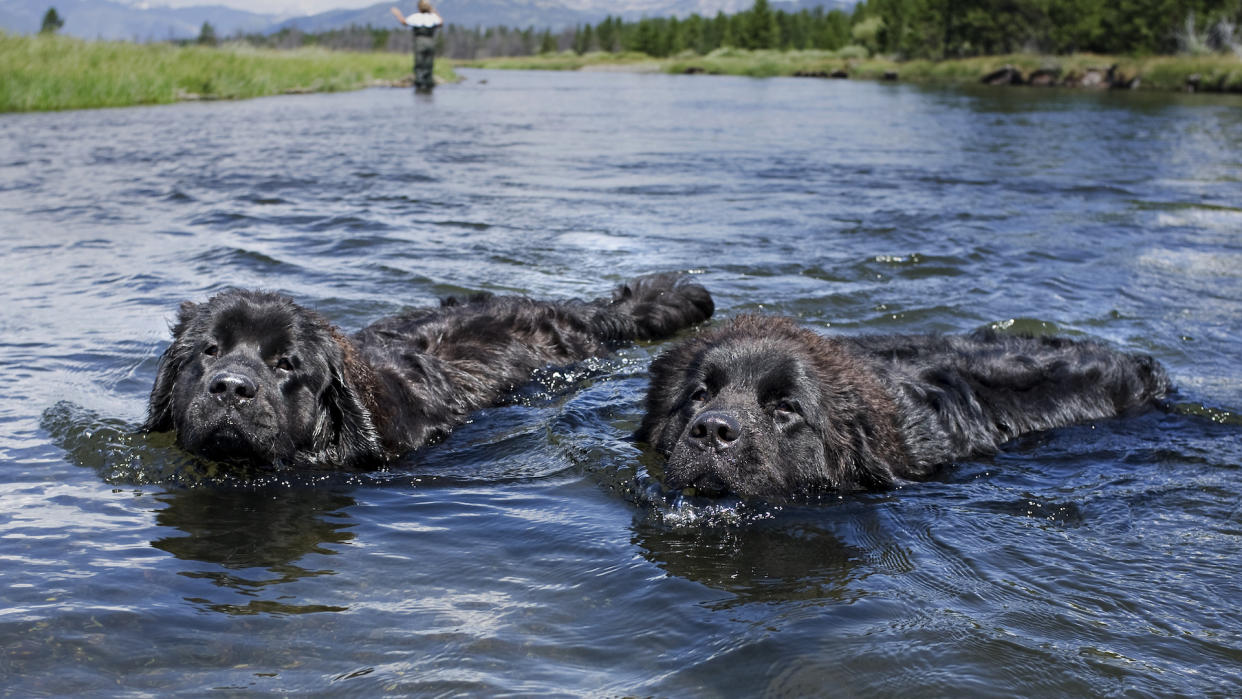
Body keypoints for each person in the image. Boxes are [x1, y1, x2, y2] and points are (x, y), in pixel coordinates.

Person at [391, 1, 443, 91]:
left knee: (419, 63)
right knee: (428, 63)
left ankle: (420, 83)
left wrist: (398, 14)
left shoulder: (415, 17)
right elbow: (441, 23)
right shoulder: (433, 17)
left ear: (419, 7)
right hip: (430, 42)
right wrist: (434, 11)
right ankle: (428, 83)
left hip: (419, 42)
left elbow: (404, 22)